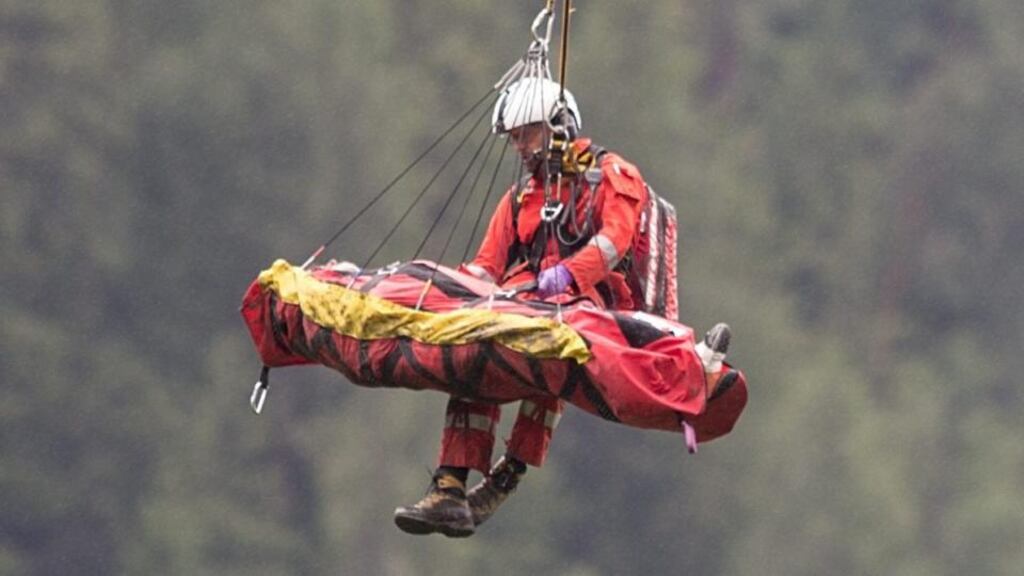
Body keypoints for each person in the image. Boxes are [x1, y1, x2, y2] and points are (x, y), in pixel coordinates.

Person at [393, 77, 732, 537]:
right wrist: (441, 293)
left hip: (587, 305)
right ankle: (450, 486)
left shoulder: (612, 176)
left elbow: (615, 240)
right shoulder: (519, 200)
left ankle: (509, 472)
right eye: (513, 138)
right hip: (521, 302)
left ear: (556, 126)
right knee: (474, 352)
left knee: (551, 347)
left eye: (524, 134)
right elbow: (486, 267)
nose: (518, 147)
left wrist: (568, 275)